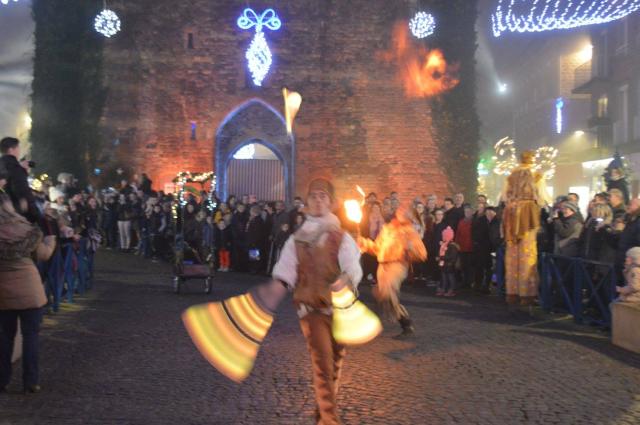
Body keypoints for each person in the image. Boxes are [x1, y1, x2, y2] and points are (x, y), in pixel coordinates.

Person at [270, 177, 362, 424]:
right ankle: (330, 421)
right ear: (307, 202)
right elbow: (285, 269)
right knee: (322, 363)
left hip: (340, 309)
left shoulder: (342, 237)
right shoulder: (297, 239)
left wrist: (346, 277)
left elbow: (353, 267)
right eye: (314, 196)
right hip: (311, 309)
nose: (318, 200)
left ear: (330, 203)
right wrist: (277, 287)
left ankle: (320, 416)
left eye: (323, 197)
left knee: (334, 365)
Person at [0, 193, 56, 393]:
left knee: (5, 337)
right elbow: (44, 254)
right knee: (31, 337)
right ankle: (31, 381)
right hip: (30, 292)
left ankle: (3, 380)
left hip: (4, 293)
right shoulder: (26, 230)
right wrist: (51, 239)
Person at [358, 207, 427, 337]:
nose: (401, 211)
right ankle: (405, 323)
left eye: (405, 211)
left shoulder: (410, 232)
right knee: (384, 295)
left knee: (387, 293)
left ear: (411, 216)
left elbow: (422, 254)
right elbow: (377, 248)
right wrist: (364, 243)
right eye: (400, 210)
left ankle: (377, 314)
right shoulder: (387, 229)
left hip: (397, 264)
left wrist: (410, 250)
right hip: (382, 265)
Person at [501, 151, 545, 307]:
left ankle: (512, 292)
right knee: (528, 254)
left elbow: (504, 197)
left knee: (512, 254)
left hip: (512, 215)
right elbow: (541, 197)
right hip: (528, 214)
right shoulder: (536, 174)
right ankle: (527, 294)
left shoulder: (511, 174)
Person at [0, 137, 40, 223]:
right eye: (18, 148)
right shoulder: (14, 166)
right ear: (11, 150)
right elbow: (19, 184)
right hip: (23, 211)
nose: (19, 151)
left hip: (10, 209)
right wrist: (23, 199)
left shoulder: (4, 164)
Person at [437, 226, 459, 297]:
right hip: (444, 264)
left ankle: (451, 290)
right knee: (444, 278)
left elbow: (452, 256)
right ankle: (444, 289)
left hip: (449, 265)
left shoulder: (452, 246)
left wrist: (441, 257)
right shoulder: (444, 245)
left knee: (450, 278)